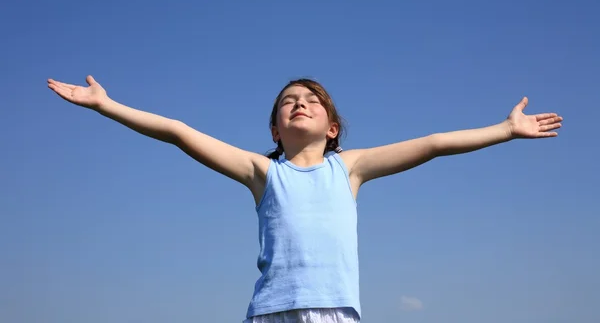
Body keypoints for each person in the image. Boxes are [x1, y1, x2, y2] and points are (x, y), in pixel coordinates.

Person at [47, 75, 563, 323]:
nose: (299, 104)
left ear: (332, 127)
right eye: (288, 102)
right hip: (273, 312)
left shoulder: (351, 168)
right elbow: (180, 132)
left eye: (311, 101)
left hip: (337, 311)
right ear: (274, 126)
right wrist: (106, 105)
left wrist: (503, 129)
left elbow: (431, 145)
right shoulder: (261, 172)